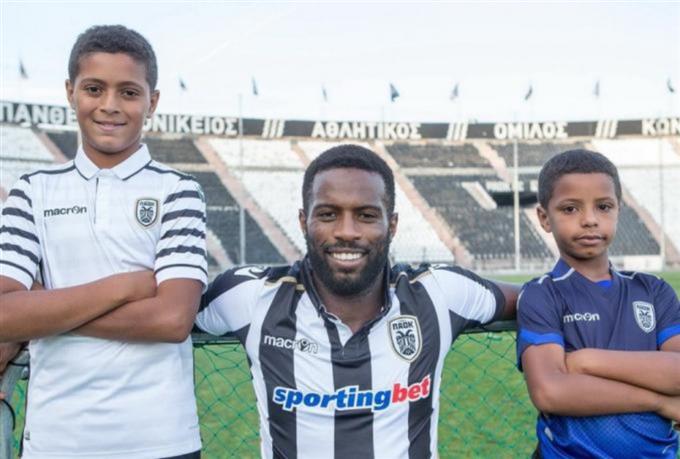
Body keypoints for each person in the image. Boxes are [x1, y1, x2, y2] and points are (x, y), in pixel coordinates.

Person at [195, 144, 519, 458]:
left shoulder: (438, 293)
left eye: (366, 215)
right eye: (328, 214)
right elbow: (174, 315)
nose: (347, 231)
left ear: (392, 225)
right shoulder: (252, 297)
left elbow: (534, 298)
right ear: (303, 222)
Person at [0, 25, 206, 458]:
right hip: (57, 441)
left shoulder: (179, 190)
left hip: (160, 439)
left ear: (152, 102)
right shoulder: (32, 190)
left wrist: (42, 310)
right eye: (94, 89)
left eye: (129, 92)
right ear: (71, 92)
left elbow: (172, 319)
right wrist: (124, 286)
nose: (110, 105)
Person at [516, 149, 680, 458]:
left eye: (603, 207)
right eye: (570, 209)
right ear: (544, 218)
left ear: (619, 210)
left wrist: (585, 361)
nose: (590, 220)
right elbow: (551, 391)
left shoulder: (653, 290)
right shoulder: (542, 294)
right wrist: (659, 401)